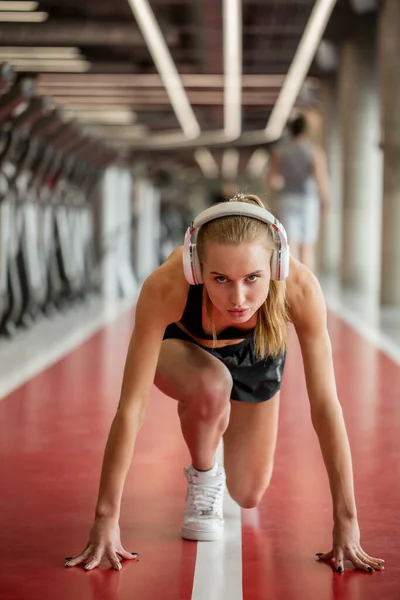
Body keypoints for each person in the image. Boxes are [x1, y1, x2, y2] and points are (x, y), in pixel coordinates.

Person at [64, 194, 384, 574]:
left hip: (257, 358)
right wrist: (106, 518)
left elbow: (326, 407)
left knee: (248, 494)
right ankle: (203, 474)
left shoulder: (300, 289)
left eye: (253, 278)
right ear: (196, 269)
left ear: (276, 266)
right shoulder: (167, 287)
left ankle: (223, 433)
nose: (238, 299)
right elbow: (131, 409)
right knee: (213, 384)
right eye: (220, 279)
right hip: (183, 352)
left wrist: (347, 521)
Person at [267, 114, 330, 272]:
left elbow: (273, 180)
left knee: (289, 245)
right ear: (306, 131)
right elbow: (321, 180)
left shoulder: (280, 152)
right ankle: (307, 286)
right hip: (308, 201)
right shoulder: (314, 152)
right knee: (307, 246)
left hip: (287, 199)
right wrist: (326, 203)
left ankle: (291, 283)